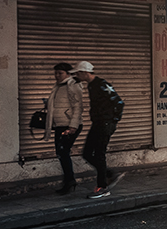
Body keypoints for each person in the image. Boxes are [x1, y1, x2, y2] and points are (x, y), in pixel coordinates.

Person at [74, 61, 125, 199]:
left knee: (99, 154)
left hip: (105, 124)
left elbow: (119, 102)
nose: (77, 76)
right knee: (87, 153)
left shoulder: (101, 84)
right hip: (98, 123)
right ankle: (109, 174)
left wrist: (113, 121)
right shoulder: (91, 85)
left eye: (78, 73)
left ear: (85, 72)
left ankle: (102, 187)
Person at [46, 62, 84, 195]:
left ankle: (70, 181)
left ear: (68, 74)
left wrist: (73, 126)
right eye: (55, 73)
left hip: (69, 125)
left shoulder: (72, 85)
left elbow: (78, 107)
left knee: (63, 152)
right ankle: (69, 180)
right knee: (61, 153)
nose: (57, 76)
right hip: (60, 124)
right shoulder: (58, 86)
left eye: (60, 73)